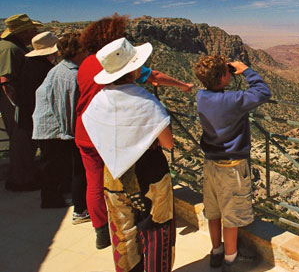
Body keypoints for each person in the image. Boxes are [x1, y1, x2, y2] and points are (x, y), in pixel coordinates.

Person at [75, 14, 194, 249]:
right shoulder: (123, 68)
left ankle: (102, 233)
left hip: (88, 129)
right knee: (130, 185)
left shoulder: (86, 64)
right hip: (115, 134)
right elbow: (155, 76)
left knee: (96, 183)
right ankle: (141, 232)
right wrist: (184, 86)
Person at [82, 38, 175, 272]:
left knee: (123, 233)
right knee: (156, 230)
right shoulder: (145, 101)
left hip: (113, 173)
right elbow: (169, 143)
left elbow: (90, 125)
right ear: (133, 69)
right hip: (149, 173)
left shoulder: (98, 100)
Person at [193, 55, 271, 271]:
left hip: (210, 163)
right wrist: (246, 70)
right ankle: (231, 259)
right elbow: (263, 92)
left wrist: (222, 76)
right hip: (232, 166)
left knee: (214, 211)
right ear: (224, 76)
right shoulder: (233, 100)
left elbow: (217, 93)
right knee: (231, 215)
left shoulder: (201, 96)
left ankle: (216, 252)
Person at [32, 32, 90, 223]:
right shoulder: (70, 76)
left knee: (54, 167)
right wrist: (74, 135)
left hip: (49, 126)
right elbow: (67, 108)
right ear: (78, 51)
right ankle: (57, 202)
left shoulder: (60, 69)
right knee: (57, 167)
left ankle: (55, 198)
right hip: (53, 129)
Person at [0, 14, 42, 191]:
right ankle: (20, 180)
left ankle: (24, 175)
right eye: (32, 29)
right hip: (16, 104)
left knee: (23, 141)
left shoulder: (12, 47)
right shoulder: (9, 49)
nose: (35, 32)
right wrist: (17, 106)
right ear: (22, 32)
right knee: (21, 141)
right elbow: (5, 80)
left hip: (18, 104)